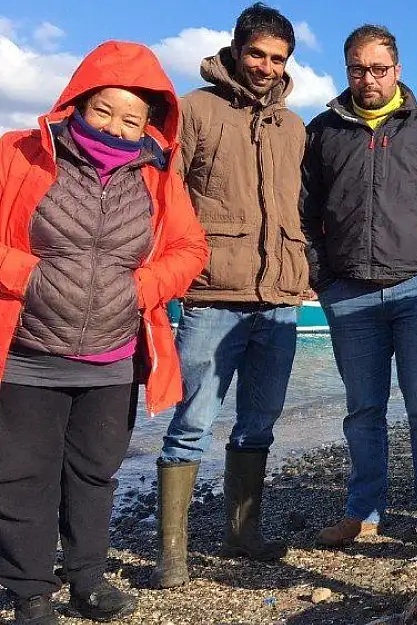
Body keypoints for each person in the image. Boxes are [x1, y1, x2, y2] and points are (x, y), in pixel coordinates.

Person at [0, 42, 208, 624]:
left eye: (132, 117)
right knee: (21, 474)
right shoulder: (19, 154)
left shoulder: (158, 178)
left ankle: (88, 581)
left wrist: (143, 290)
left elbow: (190, 249)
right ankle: (30, 593)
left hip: (113, 354)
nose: (116, 125)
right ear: (78, 102)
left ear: (151, 123)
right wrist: (26, 276)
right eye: (103, 110)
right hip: (28, 351)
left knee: (94, 473)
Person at [301, 24, 417, 545]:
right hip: (348, 292)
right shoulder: (323, 132)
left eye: (379, 69)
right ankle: (364, 513)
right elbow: (304, 211)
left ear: (397, 71)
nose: (368, 79)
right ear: (347, 70)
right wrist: (323, 276)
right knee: (363, 411)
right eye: (358, 69)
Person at [152, 3, 307, 588]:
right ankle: (174, 554)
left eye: (278, 58)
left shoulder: (294, 127)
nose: (267, 67)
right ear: (235, 50)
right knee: (192, 420)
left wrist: (305, 265)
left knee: (258, 423)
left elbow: (303, 207)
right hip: (213, 293)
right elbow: (167, 196)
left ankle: (242, 534)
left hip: (282, 295)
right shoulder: (194, 110)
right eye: (258, 54)